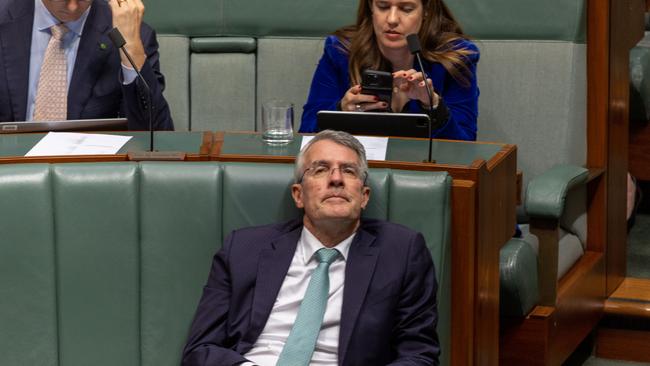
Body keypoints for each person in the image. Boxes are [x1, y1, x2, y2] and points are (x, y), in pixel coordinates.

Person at [182, 130, 440, 366]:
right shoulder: (243, 248)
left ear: (364, 196)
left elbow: (419, 355)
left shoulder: (402, 252)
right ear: (298, 195)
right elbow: (200, 349)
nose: (336, 179)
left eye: (349, 171)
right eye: (320, 169)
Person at [299, 0, 478, 141]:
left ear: (426, 11)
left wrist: (433, 106)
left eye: (406, 9)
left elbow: (464, 144)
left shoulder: (455, 58)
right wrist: (340, 112)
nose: (392, 19)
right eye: (383, 6)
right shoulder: (340, 52)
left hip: (424, 173)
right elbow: (306, 133)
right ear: (371, 7)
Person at [0, 0, 173, 130]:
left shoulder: (131, 35)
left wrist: (131, 49)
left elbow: (156, 136)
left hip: (87, 170)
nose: (73, 6)